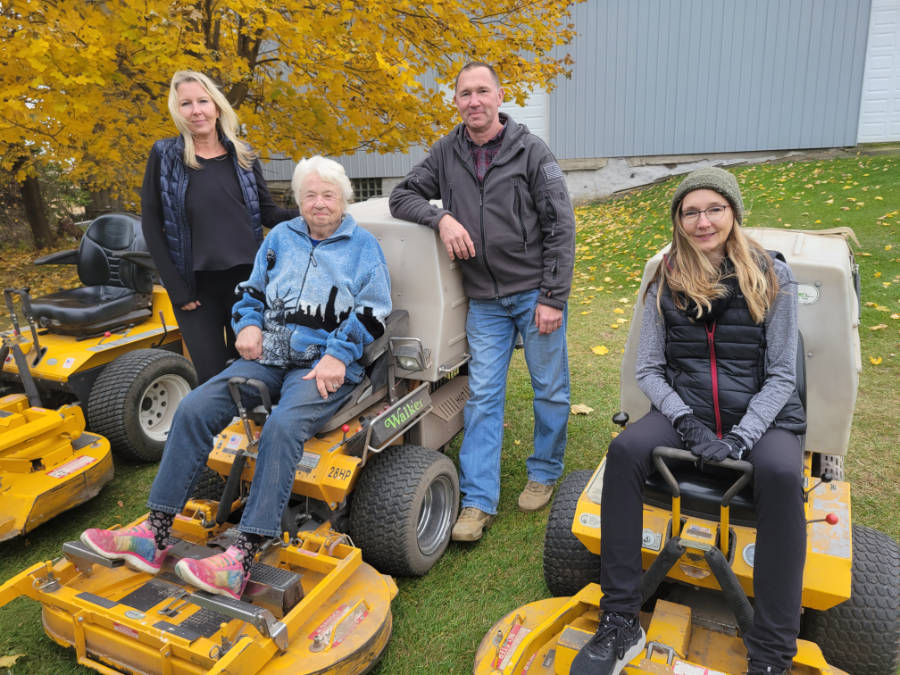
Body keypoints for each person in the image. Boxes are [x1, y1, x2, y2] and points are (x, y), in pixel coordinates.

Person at [81, 156, 391, 600]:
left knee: (283, 426)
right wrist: (246, 324)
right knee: (193, 407)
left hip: (322, 363)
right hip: (269, 354)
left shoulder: (364, 248)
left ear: (344, 200)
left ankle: (244, 552)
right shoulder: (280, 237)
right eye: (310, 195)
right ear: (298, 200)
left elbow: (374, 310)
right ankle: (154, 532)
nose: (319, 203)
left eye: (328, 195)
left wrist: (339, 355)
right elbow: (251, 291)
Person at [571, 167, 806, 675]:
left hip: (762, 419)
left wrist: (744, 434)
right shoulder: (666, 278)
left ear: (734, 213)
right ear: (679, 220)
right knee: (626, 450)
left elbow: (784, 374)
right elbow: (650, 370)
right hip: (689, 413)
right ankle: (620, 622)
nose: (703, 221)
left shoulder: (773, 275)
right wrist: (688, 422)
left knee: (785, 474)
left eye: (714, 208)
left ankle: (770, 655)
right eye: (691, 211)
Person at [389, 62, 576, 542]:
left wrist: (553, 297)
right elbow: (402, 196)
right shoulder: (446, 152)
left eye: (482, 91)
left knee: (549, 388)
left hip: (535, 292)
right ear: (456, 101)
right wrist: (442, 218)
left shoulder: (531, 151)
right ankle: (477, 502)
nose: (474, 100)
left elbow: (560, 226)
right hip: (485, 302)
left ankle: (544, 470)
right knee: (484, 396)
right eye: (465, 93)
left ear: (499, 96)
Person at [141, 70, 299, 383]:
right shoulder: (165, 157)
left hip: (248, 287)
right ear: (178, 111)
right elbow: (151, 224)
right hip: (196, 291)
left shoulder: (243, 155)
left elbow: (267, 212)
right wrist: (177, 289)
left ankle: (257, 431)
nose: (196, 110)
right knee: (214, 378)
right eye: (186, 104)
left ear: (217, 106)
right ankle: (218, 432)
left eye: (203, 101)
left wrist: (308, 212)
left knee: (255, 371)